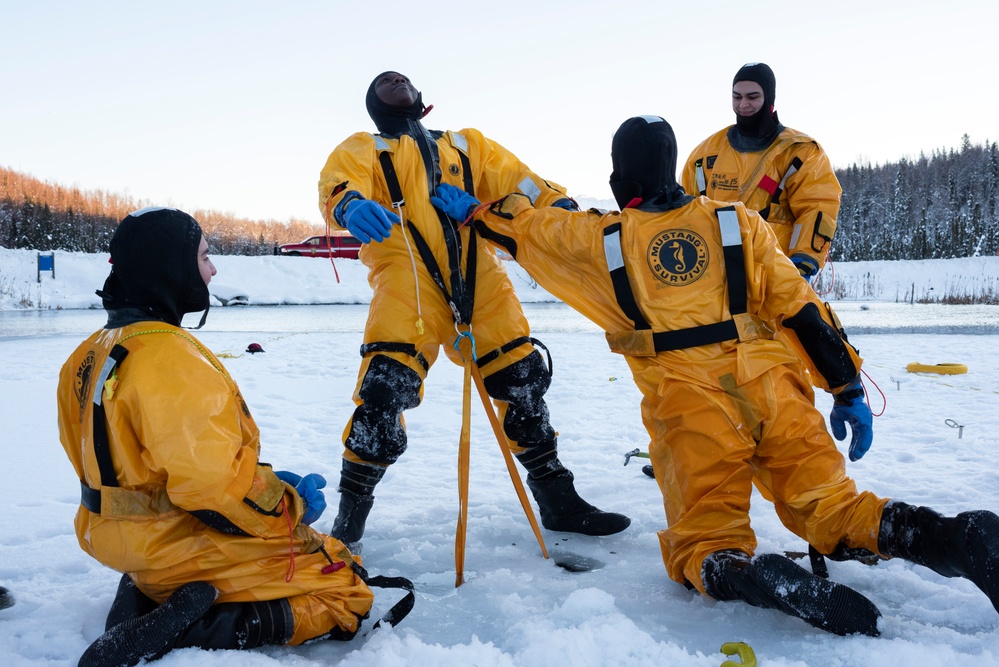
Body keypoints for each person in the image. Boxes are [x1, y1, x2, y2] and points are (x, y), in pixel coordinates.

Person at [428, 116, 999, 636]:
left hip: (690, 403)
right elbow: (800, 308)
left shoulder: (600, 241)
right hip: (774, 386)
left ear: (620, 171)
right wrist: (846, 385)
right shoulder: (739, 222)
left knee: (705, 540)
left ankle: (754, 576)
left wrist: (476, 212)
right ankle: (959, 539)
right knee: (832, 507)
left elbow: (528, 230)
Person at [58, 208, 397, 666]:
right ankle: (180, 629)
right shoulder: (169, 359)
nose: (213, 269)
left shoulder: (89, 353)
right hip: (168, 540)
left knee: (332, 550)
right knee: (345, 588)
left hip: (113, 534)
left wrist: (267, 480)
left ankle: (145, 590)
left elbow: (149, 461)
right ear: (171, 267)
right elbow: (209, 489)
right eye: (203, 256)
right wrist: (288, 504)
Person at [316, 71, 630, 545]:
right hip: (408, 279)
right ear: (373, 105)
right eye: (385, 80)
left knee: (521, 382)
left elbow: (523, 183)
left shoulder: (467, 145)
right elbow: (338, 182)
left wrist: (560, 207)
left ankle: (558, 500)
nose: (396, 78)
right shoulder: (366, 147)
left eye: (403, 77)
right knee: (384, 390)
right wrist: (348, 205)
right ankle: (350, 518)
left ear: (421, 100)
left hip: (479, 276)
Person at [681, 62, 840, 281]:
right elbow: (685, 213)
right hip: (714, 277)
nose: (743, 104)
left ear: (769, 99)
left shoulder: (800, 152)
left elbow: (817, 206)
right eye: (737, 97)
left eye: (752, 97)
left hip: (775, 277)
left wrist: (804, 260)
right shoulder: (705, 154)